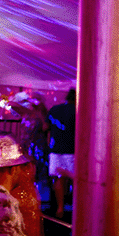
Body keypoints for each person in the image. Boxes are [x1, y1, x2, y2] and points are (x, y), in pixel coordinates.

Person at [47, 88, 76, 218]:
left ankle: (60, 208)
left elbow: (46, 128)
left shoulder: (54, 109)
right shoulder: (77, 111)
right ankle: (77, 207)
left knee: (58, 177)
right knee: (75, 179)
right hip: (71, 149)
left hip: (55, 149)